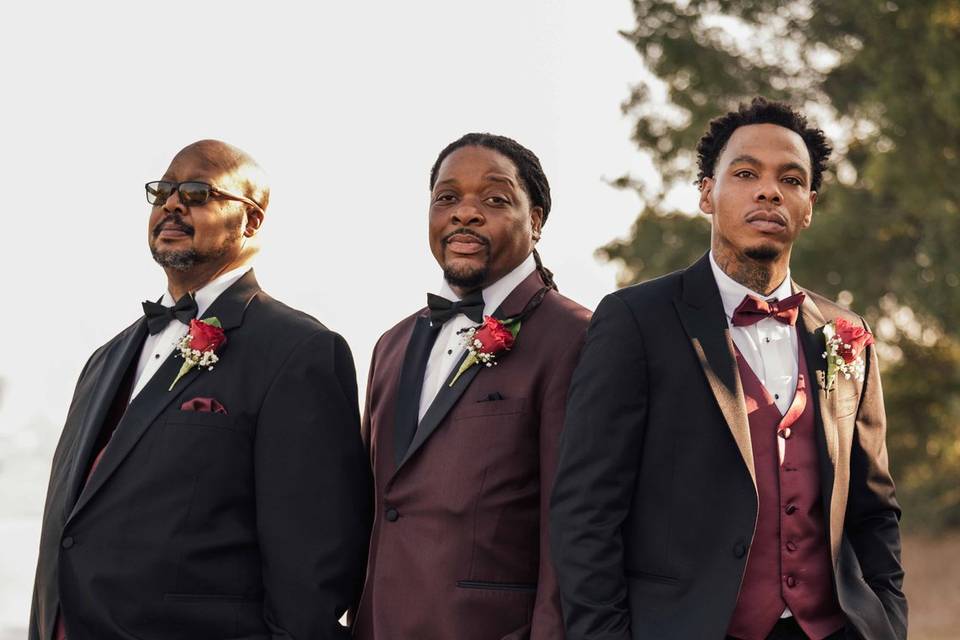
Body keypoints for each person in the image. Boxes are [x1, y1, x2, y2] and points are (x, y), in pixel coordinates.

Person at [551, 98, 907, 640]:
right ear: (705, 193)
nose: (769, 190)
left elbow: (874, 507)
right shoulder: (634, 320)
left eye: (790, 179)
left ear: (808, 205)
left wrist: (888, 620)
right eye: (745, 173)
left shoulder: (844, 331)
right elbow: (586, 512)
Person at [29, 140, 372, 640]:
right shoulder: (105, 359)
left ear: (251, 221)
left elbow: (312, 571)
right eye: (162, 192)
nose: (172, 204)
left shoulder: (300, 351)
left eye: (196, 191)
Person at [352, 133, 591, 640]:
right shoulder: (390, 346)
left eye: (495, 199)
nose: (465, 213)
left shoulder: (575, 336)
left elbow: (573, 525)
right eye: (447, 198)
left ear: (538, 220)